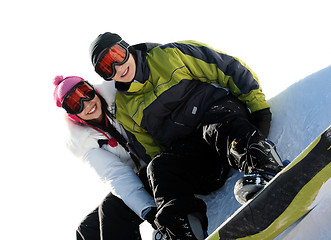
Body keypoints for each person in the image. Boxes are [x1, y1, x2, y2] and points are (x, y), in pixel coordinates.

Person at [89, 32, 284, 240]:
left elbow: (227, 68)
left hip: (218, 116)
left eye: (116, 55)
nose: (117, 68)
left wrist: (259, 109)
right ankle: (182, 229)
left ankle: (264, 168)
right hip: (198, 154)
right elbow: (152, 152)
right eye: (106, 68)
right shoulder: (125, 108)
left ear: (126, 47)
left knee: (216, 127)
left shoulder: (170, 54)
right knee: (158, 167)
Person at [53, 75, 157, 240]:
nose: (87, 104)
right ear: (73, 115)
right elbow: (116, 176)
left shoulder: (120, 99)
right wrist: (148, 209)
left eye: (85, 92)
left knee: (111, 209)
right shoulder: (87, 143)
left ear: (93, 89)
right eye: (75, 104)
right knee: (87, 229)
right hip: (140, 176)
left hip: (160, 163)